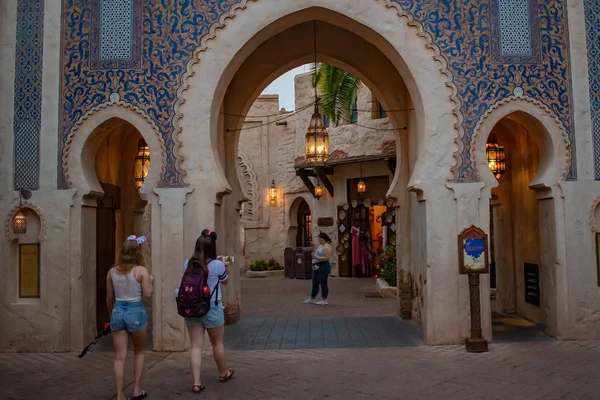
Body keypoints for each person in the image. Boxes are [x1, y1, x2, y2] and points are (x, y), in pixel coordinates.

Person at [182, 229, 235, 393]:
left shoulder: (188, 263)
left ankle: (197, 382)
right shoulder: (217, 265)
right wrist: (224, 267)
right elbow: (225, 282)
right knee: (217, 343)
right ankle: (223, 372)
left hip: (192, 308)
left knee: (196, 346)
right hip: (212, 307)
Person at [106, 235, 153, 400]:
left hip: (118, 311)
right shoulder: (142, 271)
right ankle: (137, 390)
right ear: (138, 252)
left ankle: (119, 395)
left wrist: (111, 315)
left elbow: (109, 298)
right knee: (139, 352)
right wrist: (151, 283)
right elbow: (147, 295)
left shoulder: (111, 272)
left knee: (119, 357)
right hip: (136, 312)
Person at [304, 232, 333, 305]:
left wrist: (316, 257)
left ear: (323, 238)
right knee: (315, 282)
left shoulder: (327, 246)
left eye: (319, 238)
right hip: (316, 266)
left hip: (323, 266)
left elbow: (327, 257)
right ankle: (312, 298)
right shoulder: (320, 246)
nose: (319, 240)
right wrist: (314, 256)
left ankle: (324, 299)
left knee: (323, 282)